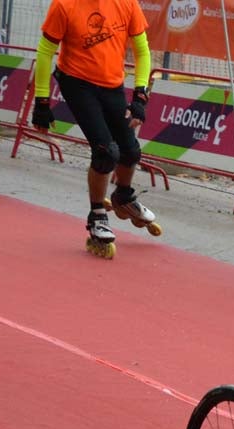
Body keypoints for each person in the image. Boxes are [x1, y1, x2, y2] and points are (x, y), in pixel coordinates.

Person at [31, 0, 158, 253]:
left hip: (112, 85)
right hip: (77, 82)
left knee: (130, 151)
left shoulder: (126, 3)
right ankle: (97, 213)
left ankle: (123, 196)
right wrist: (42, 101)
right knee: (105, 152)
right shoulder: (64, 5)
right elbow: (45, 51)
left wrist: (140, 97)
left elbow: (143, 51)